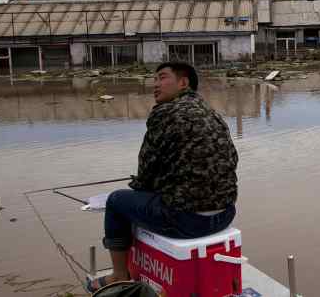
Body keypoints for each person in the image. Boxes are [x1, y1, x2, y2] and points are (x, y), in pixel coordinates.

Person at [86, 62, 239, 292]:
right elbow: (230, 160)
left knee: (116, 201)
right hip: (225, 214)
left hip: (186, 221)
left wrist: (141, 186)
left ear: (183, 82)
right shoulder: (212, 113)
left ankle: (119, 274)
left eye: (162, 78)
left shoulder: (165, 112)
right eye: (155, 79)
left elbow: (146, 172)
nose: (155, 85)